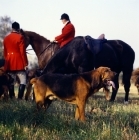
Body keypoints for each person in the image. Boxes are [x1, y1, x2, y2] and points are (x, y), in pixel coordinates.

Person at [3, 21, 28, 99]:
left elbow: (5, 53)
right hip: (19, 62)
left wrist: (6, 63)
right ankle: (19, 99)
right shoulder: (20, 37)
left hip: (9, 62)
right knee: (23, 80)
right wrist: (25, 63)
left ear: (12, 28)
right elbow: (22, 52)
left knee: (11, 81)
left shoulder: (6, 38)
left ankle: (12, 97)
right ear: (18, 28)